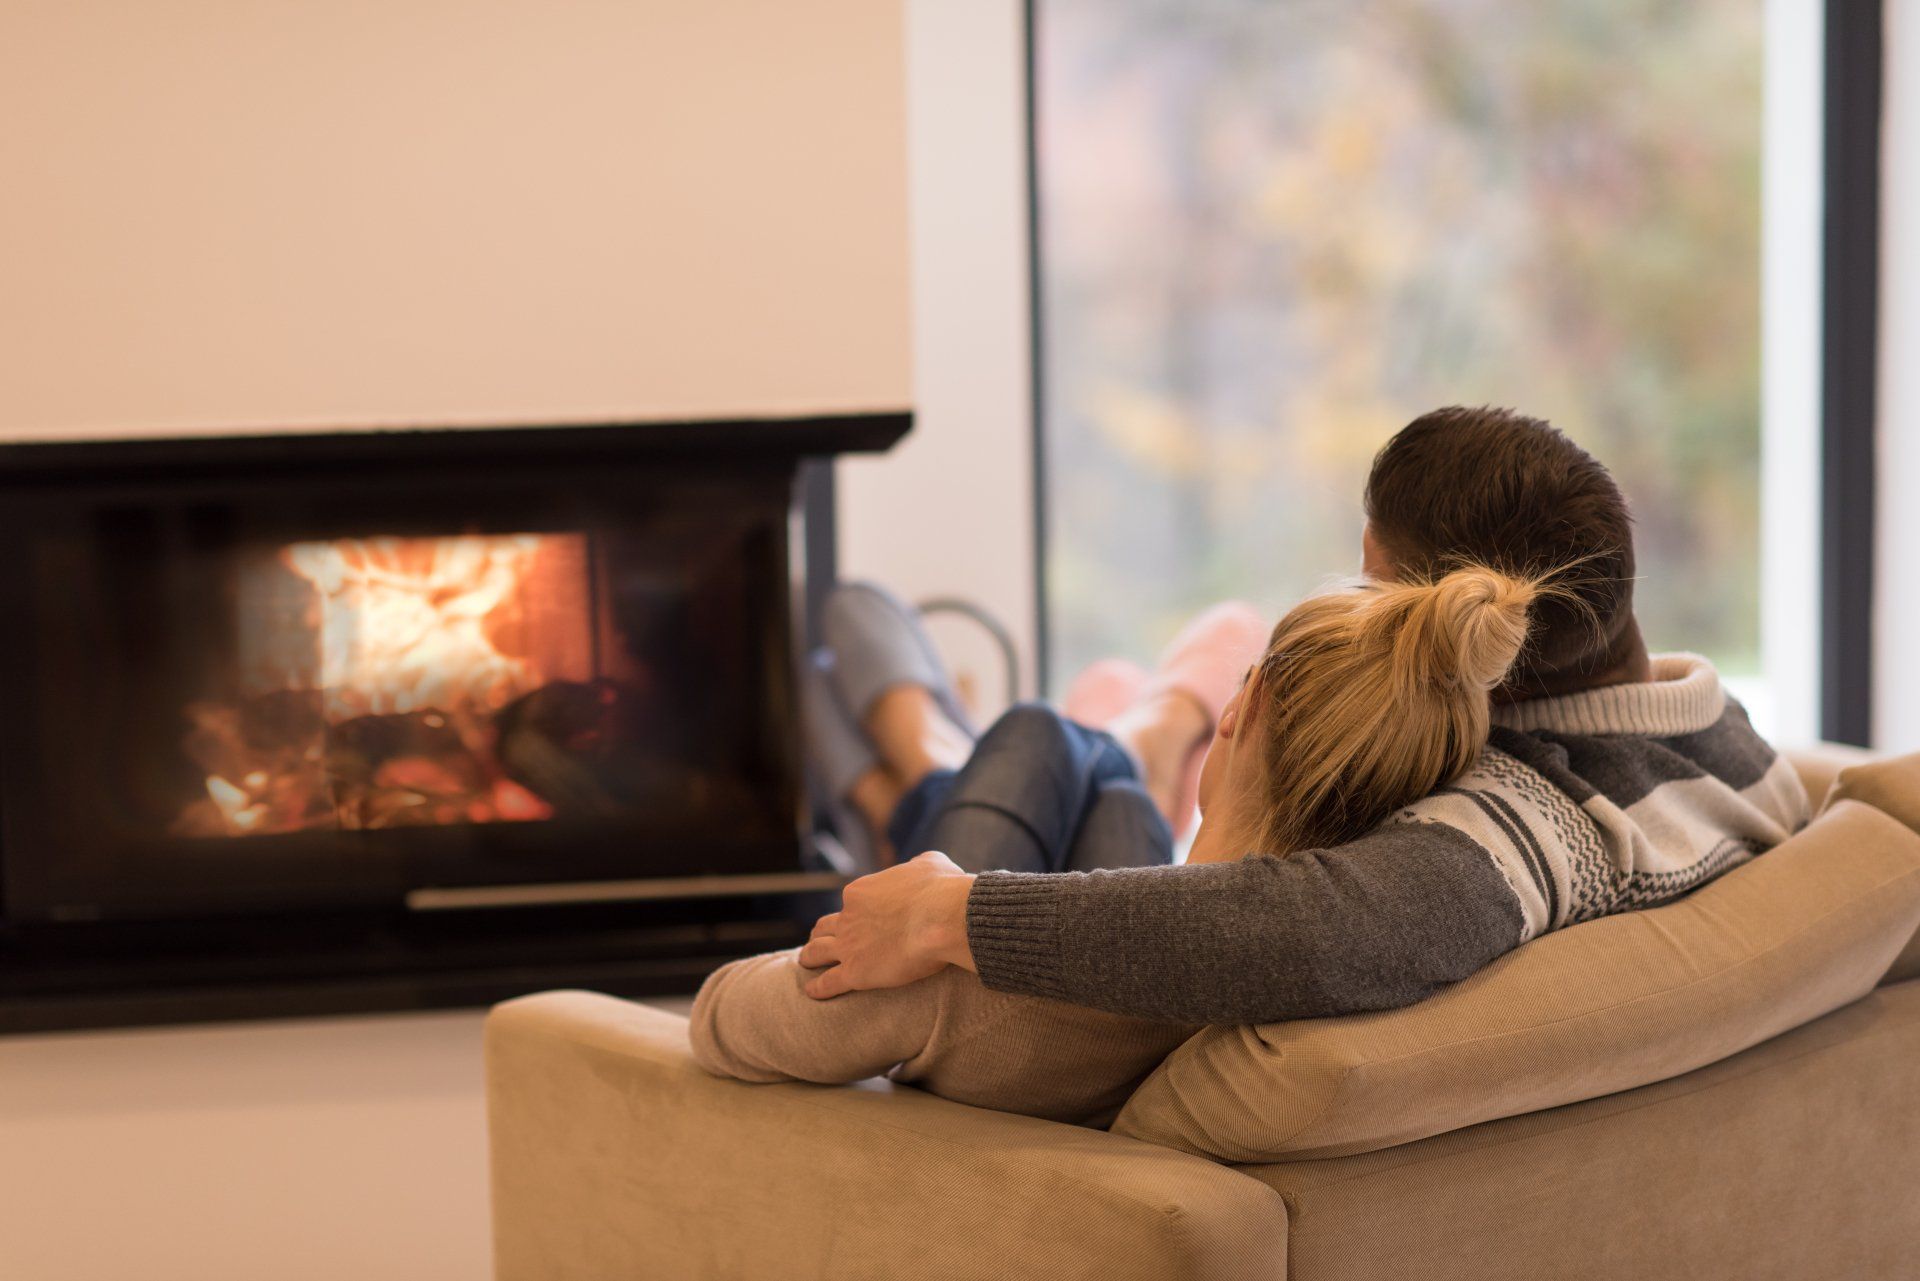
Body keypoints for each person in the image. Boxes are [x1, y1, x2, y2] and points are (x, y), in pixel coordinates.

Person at [790, 406, 1812, 1025]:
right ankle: (947, 775)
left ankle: (933, 782)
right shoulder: (1737, 745)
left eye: (1377, 593)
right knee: (1068, 744)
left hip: (1040, 1071)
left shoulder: (1519, 827)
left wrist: (946, 912)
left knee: (1029, 733)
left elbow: (1311, 933)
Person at [692, 564, 1552, 1124]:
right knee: (1094, 769)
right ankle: (1107, 740)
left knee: (872, 658)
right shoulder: (1317, 976)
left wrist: (922, 903)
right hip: (1119, 978)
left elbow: (719, 1017)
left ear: (1240, 710)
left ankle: (939, 778)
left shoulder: (947, 988)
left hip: (992, 1029)